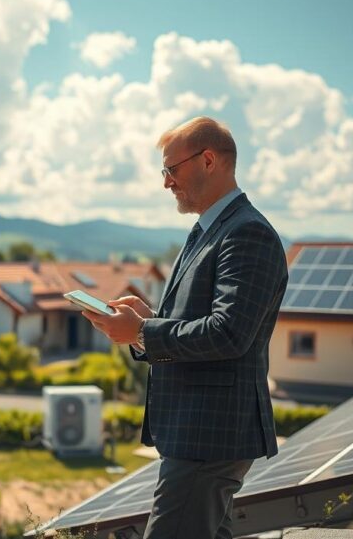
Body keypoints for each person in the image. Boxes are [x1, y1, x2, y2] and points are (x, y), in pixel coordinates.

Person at [82, 116, 287, 539]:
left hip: (208, 438)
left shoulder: (246, 233)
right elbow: (205, 324)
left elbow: (227, 333)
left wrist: (141, 332)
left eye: (171, 169)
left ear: (208, 160)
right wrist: (148, 319)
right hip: (199, 435)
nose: (166, 183)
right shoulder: (210, 231)